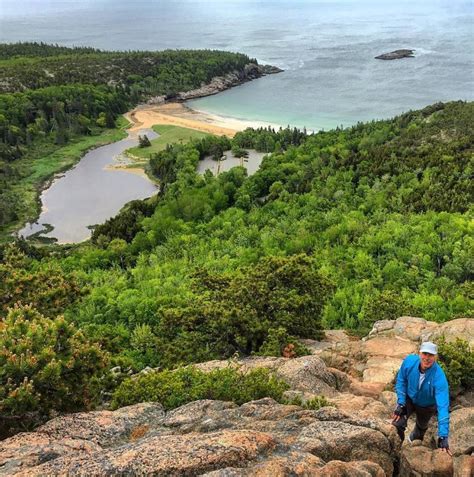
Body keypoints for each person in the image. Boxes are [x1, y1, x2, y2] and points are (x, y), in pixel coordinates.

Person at [391, 341, 451, 455]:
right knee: (397, 423)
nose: (427, 358)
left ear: (435, 357)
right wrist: (401, 402)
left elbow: (443, 407)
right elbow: (401, 381)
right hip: (409, 399)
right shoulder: (409, 362)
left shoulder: (439, 377)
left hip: (427, 405)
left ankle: (412, 442)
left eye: (431, 355)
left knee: (420, 430)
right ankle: (396, 452)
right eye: (425, 354)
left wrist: (443, 436)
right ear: (419, 353)